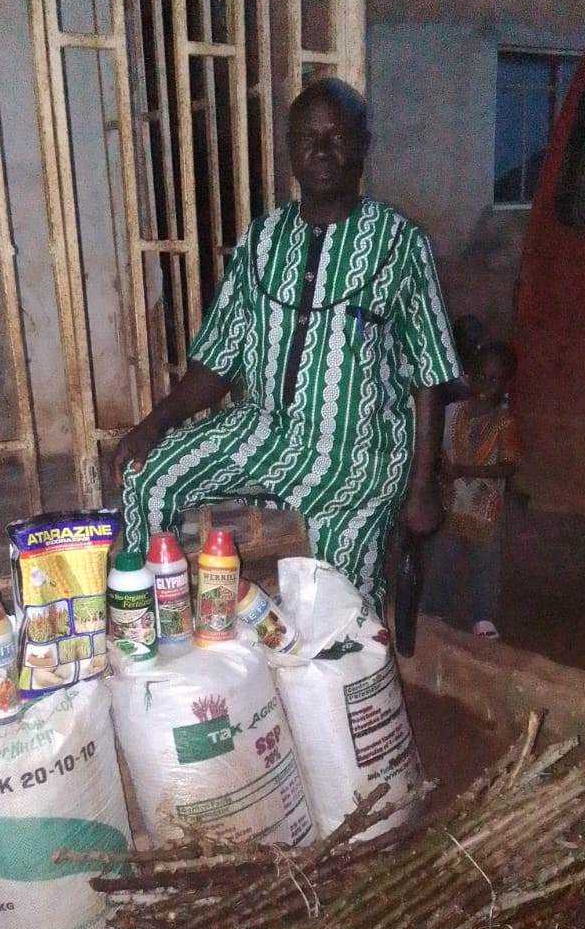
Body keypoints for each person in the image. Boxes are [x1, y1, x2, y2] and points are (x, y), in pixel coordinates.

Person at [113, 77, 460, 613]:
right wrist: (154, 423)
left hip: (358, 455)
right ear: (290, 152)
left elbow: (430, 372)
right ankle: (157, 632)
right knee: (148, 480)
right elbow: (217, 361)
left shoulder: (400, 243)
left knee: (338, 593)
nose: (321, 152)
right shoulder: (261, 240)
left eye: (336, 138)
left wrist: (422, 486)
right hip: (263, 430)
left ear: (362, 146)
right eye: (307, 139)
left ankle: (340, 679)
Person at [419, 340, 518, 638]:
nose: (488, 384)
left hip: (486, 511)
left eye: (496, 379)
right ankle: (434, 610)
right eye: (483, 376)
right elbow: (434, 448)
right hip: (450, 506)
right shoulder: (451, 413)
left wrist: (463, 470)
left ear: (505, 384)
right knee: (441, 559)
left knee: (485, 565)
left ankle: (483, 617)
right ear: (469, 375)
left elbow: (509, 466)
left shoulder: (505, 423)